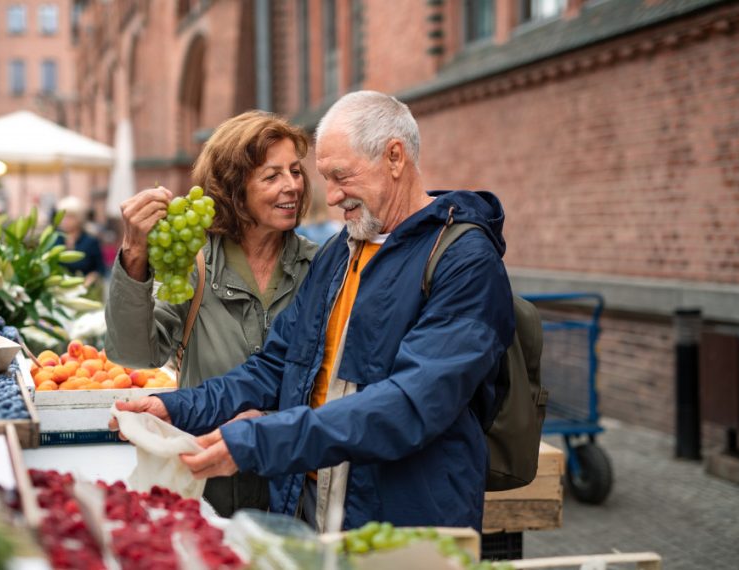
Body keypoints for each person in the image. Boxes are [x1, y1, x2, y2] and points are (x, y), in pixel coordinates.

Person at [110, 91, 515, 531]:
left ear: (395, 157)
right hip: (314, 505)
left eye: (340, 176)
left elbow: (410, 404)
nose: (333, 196)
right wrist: (173, 407)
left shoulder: (464, 260)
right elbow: (277, 365)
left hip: (405, 517)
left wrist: (257, 441)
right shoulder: (340, 254)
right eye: (326, 178)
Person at [104, 110, 319, 516]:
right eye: (272, 176)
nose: (292, 185)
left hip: (297, 490)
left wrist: (266, 426)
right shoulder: (195, 263)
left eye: (295, 171)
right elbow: (134, 352)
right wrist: (135, 256)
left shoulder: (319, 267)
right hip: (210, 487)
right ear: (235, 188)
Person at [54, 196, 108, 291]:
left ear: (79, 218)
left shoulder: (90, 241)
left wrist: (91, 279)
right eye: (62, 216)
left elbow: (100, 269)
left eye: (69, 217)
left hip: (84, 290)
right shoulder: (55, 239)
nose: (65, 220)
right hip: (58, 290)